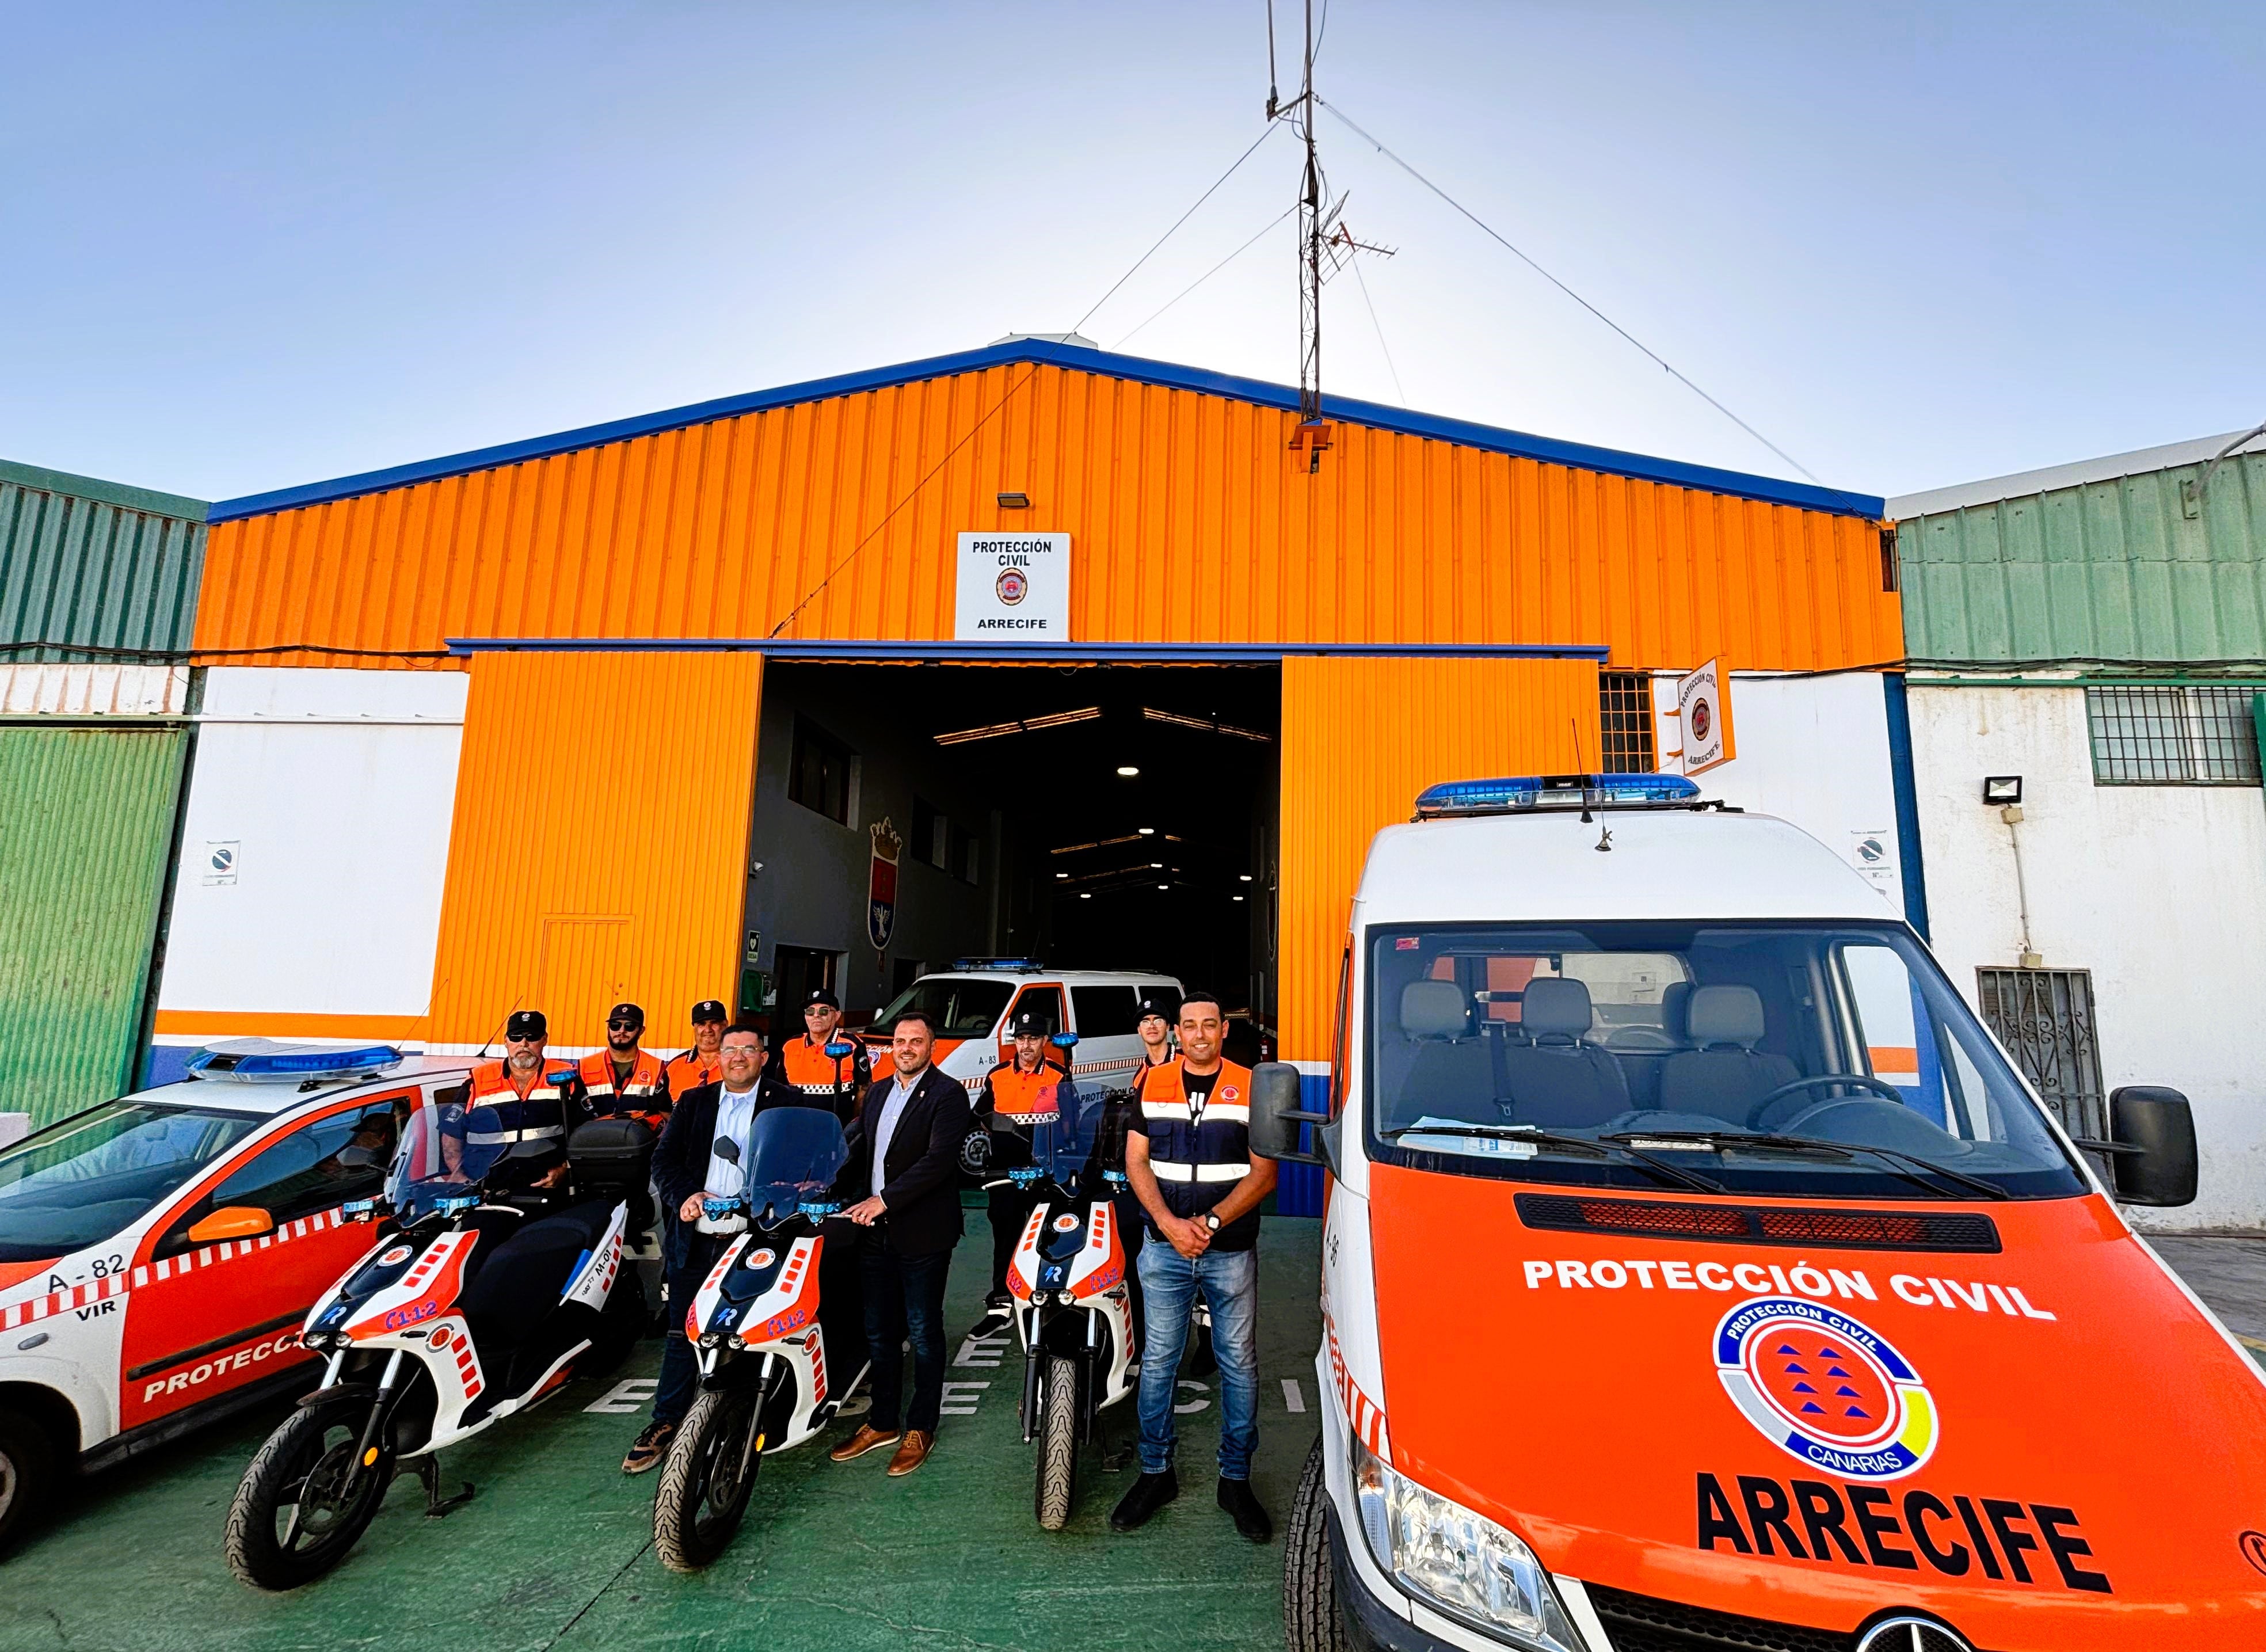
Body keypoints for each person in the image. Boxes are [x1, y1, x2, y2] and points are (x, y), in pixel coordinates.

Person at [1111, 990, 1277, 1542]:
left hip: (1227, 1250)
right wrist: (1166, 1223)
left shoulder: (1252, 1085)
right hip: (1163, 1249)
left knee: (1238, 1364)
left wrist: (1205, 1225)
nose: (1200, 1034)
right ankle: (1155, 1473)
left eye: (1210, 1025)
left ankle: (1235, 1479)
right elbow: (1135, 1160)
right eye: (1190, 1026)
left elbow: (1263, 1174)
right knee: (1158, 1361)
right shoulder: (1152, 1083)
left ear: (1223, 1031)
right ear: (1175, 1032)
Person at [622, 1021, 795, 1473]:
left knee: (752, 1332)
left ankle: (743, 1419)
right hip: (696, 1240)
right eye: (730, 1049)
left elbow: (805, 1163)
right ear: (717, 1056)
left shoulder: (788, 1102)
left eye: (748, 1049)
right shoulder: (693, 1102)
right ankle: (665, 1422)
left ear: (764, 1055)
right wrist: (686, 1196)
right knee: (682, 1332)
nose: (738, 1057)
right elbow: (664, 1160)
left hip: (757, 1239)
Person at [827, 1008, 972, 1479]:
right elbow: (863, 1150)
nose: (906, 1048)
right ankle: (882, 1422)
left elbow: (937, 1162)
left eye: (915, 1041)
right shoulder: (879, 1093)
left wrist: (883, 1201)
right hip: (874, 1231)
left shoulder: (949, 1095)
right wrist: (823, 1188)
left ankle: (920, 1427)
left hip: (922, 1232)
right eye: (899, 1041)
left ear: (932, 1047)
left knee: (924, 1330)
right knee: (879, 1331)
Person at [970, 1007, 1080, 1333]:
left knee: (1048, 1235)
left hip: (1045, 1172)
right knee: (1005, 1234)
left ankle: (1045, 1299)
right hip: (1005, 1172)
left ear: (1045, 1041)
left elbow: (1070, 1128)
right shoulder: (997, 1075)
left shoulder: (1060, 1076)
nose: (1027, 1045)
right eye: (1021, 1038)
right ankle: (1001, 1305)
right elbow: (982, 1117)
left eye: (1033, 1038)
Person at [1083, 991, 1177, 1325]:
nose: (1151, 1026)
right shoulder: (1140, 1074)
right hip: (1146, 1175)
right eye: (1144, 1022)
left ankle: (1205, 1339)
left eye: (1157, 1020)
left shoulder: (1182, 1067)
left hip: (1178, 1176)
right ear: (1139, 1031)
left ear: (1169, 1027)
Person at [451, 1009, 592, 1194]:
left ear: (544, 1040)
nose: (523, 1044)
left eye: (532, 1037)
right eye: (516, 1037)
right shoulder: (478, 1079)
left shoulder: (565, 1076)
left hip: (546, 1189)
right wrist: (460, 1178)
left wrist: (566, 1168)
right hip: (485, 1190)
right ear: (506, 1041)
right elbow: (451, 1133)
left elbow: (586, 1131)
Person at [777, 987, 871, 1124]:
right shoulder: (790, 1045)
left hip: (836, 1129)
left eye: (824, 1011)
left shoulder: (852, 1044)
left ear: (837, 1015)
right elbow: (780, 1088)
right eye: (810, 1011)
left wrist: (853, 1126)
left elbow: (864, 1088)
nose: (816, 1015)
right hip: (796, 1126)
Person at [578, 1002, 672, 1124]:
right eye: (615, 1025)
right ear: (608, 1028)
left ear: (641, 1031)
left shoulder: (656, 1068)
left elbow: (667, 1116)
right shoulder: (584, 1066)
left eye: (630, 1026)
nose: (621, 1031)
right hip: (593, 1140)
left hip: (639, 1141)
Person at [663, 999, 730, 1097]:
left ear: (725, 1025)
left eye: (714, 1023)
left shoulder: (738, 1063)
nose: (708, 1030)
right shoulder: (674, 1067)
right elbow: (663, 1110)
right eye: (701, 1024)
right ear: (694, 1028)